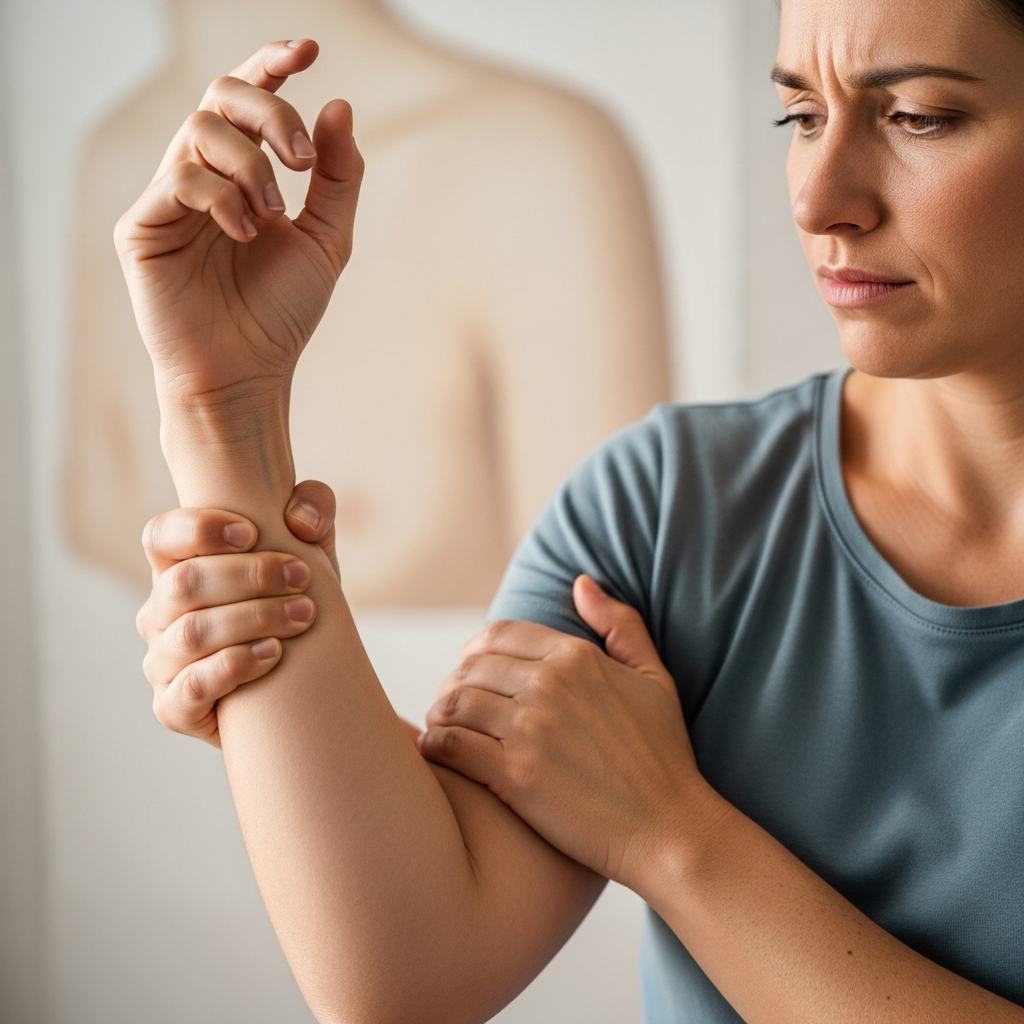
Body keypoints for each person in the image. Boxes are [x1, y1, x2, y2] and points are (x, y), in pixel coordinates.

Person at [122, 0, 1024, 1020]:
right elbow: (407, 977)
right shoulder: (668, 507)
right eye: (802, 116)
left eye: (917, 117)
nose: (820, 201)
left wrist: (673, 835)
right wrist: (223, 404)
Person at [67, 0, 669, 605]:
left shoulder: (534, 157)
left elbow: (597, 644)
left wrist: (231, 409)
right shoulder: (114, 159)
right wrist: (216, 407)